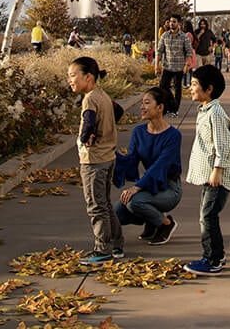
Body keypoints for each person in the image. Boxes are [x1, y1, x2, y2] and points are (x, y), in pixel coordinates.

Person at [69, 56, 123, 264]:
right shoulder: (103, 95)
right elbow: (118, 111)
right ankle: (117, 244)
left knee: (95, 206)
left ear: (88, 77)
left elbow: (88, 122)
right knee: (106, 203)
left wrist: (86, 139)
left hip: (93, 160)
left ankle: (102, 249)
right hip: (108, 156)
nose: (70, 80)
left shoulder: (90, 99)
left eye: (73, 75)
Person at [184, 64, 230, 276]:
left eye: (195, 84)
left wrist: (217, 170)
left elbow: (223, 145)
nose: (190, 88)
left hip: (217, 177)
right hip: (209, 175)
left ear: (209, 89)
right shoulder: (206, 110)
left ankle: (212, 259)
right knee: (206, 215)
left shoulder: (215, 113)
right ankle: (217, 254)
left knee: (208, 216)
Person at [114, 86, 183, 245]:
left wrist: (137, 188)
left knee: (135, 202)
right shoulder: (139, 132)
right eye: (142, 103)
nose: (142, 107)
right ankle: (152, 222)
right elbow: (131, 161)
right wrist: (111, 154)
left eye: (146, 103)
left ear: (159, 108)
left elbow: (160, 166)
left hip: (170, 188)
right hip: (149, 186)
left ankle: (166, 224)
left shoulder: (173, 136)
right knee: (117, 213)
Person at [156, 15, 191, 115]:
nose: (172, 23)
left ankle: (175, 109)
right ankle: (169, 104)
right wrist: (156, 65)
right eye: (170, 21)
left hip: (179, 67)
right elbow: (159, 51)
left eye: (174, 21)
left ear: (178, 24)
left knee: (177, 88)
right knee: (163, 86)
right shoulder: (164, 36)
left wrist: (187, 65)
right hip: (167, 66)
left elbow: (189, 52)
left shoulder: (184, 37)